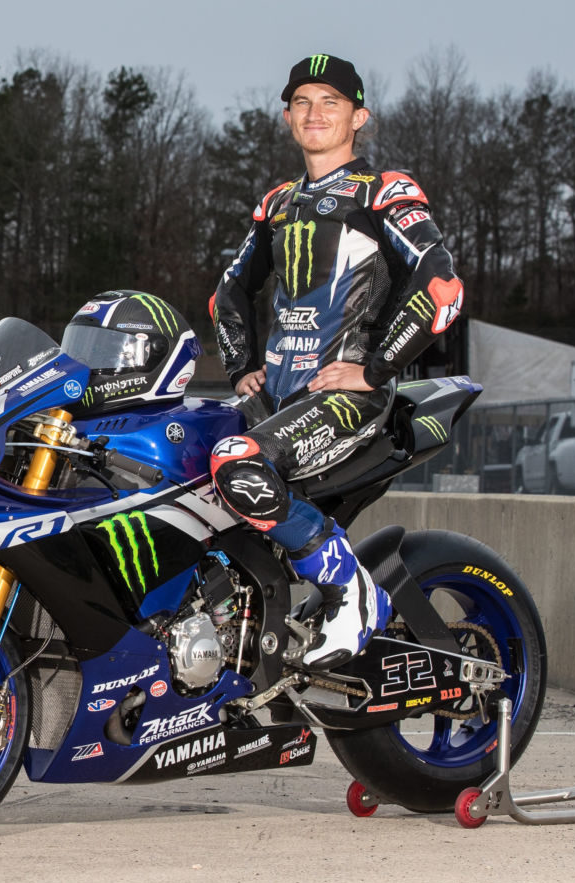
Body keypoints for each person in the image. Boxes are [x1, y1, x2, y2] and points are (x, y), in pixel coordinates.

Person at [206, 54, 464, 670]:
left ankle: (350, 594)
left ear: (359, 117)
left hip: (348, 400)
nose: (314, 113)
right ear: (288, 117)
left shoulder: (384, 192)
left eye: (330, 102)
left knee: (235, 465)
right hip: (278, 400)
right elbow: (229, 292)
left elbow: (442, 287)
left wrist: (373, 370)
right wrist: (243, 365)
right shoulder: (278, 203)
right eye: (301, 102)